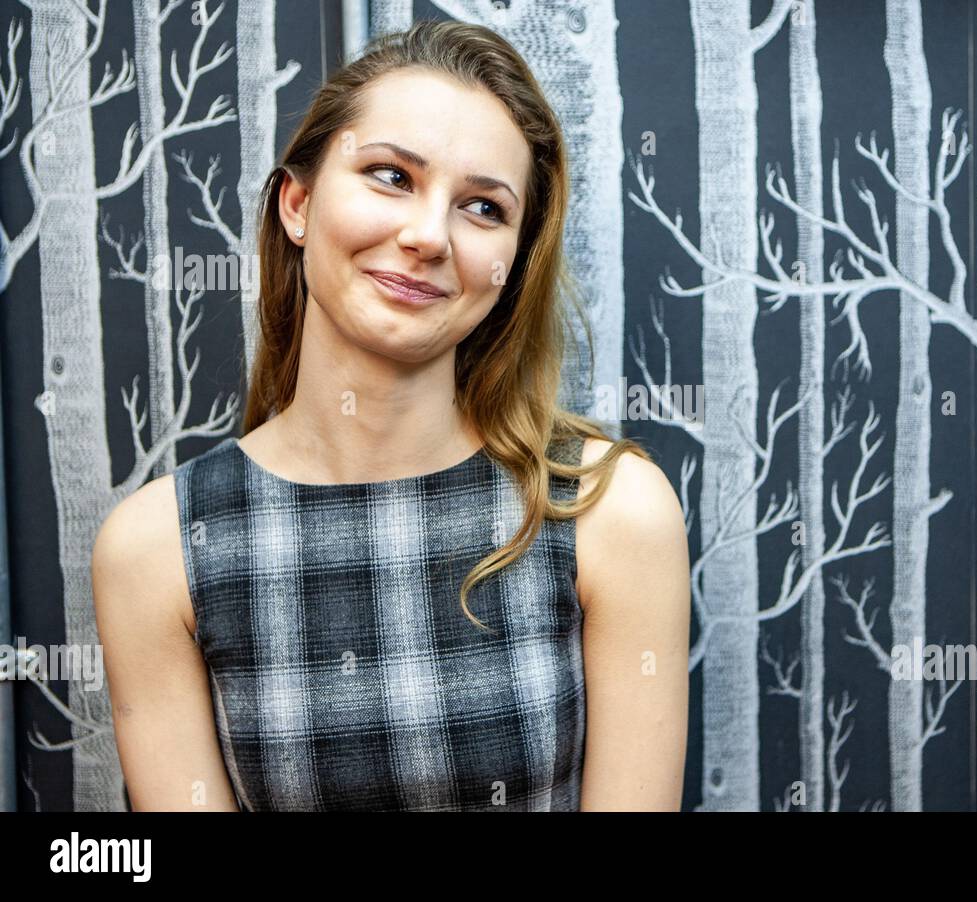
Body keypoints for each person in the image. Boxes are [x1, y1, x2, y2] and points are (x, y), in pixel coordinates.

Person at [91, 20, 689, 811]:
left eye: (482, 207)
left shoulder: (611, 511)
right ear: (298, 204)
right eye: (390, 176)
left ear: (511, 267)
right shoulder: (154, 549)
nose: (427, 236)